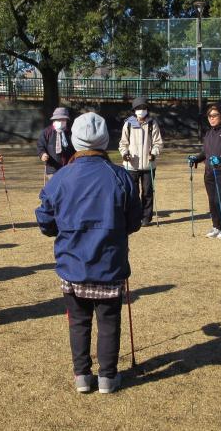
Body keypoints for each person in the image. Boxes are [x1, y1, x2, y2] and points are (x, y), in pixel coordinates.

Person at [35, 112, 141, 394]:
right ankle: (106, 377)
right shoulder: (121, 176)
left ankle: (83, 376)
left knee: (79, 322)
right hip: (109, 263)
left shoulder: (61, 178)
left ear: (75, 139)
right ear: (105, 140)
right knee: (108, 322)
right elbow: (134, 221)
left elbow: (45, 221)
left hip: (74, 264)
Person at [187, 103, 221, 239]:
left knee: (220, 200)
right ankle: (216, 227)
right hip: (209, 171)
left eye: (215, 115)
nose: (212, 118)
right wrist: (195, 159)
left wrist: (220, 159)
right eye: (209, 116)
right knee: (212, 200)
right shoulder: (208, 134)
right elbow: (205, 153)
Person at [119, 97, 164, 226]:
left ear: (147, 110)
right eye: (138, 108)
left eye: (143, 108)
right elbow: (123, 143)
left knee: (148, 192)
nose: (141, 111)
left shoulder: (152, 123)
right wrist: (125, 153)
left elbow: (158, 143)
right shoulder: (128, 124)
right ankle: (133, 217)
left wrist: (154, 153)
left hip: (148, 164)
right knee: (133, 193)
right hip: (131, 165)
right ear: (134, 110)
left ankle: (146, 218)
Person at [37, 107, 75, 181]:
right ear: (54, 120)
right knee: (54, 189)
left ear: (66, 120)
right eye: (58, 119)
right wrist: (42, 154)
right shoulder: (47, 132)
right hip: (52, 168)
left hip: (69, 168)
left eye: (63, 120)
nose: (60, 122)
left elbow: (75, 147)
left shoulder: (71, 132)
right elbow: (40, 145)